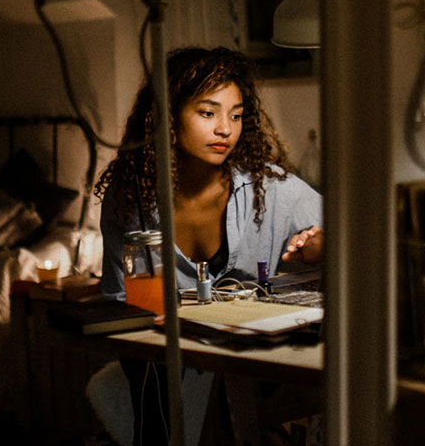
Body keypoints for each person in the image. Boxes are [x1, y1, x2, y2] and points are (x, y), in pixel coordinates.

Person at [93, 46, 324, 444]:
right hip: (168, 361)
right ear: (167, 117)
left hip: (253, 361)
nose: (225, 129)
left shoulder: (269, 187)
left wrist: (322, 246)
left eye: (236, 115)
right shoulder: (130, 197)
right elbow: (121, 304)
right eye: (208, 112)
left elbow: (352, 236)